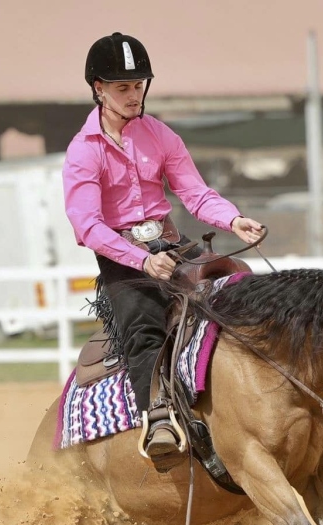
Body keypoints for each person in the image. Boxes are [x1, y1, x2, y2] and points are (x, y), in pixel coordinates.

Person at [62, 32, 263, 469]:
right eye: (123, 88)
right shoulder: (83, 151)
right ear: (99, 89)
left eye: (138, 86)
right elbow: (87, 225)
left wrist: (233, 219)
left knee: (239, 279)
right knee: (142, 324)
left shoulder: (160, 135)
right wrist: (141, 259)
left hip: (171, 244)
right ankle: (158, 421)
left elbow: (194, 192)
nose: (134, 96)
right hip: (123, 258)